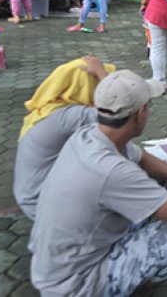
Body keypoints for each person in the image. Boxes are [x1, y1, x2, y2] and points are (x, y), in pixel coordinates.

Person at [28, 70, 167, 296]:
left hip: (53, 264)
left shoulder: (88, 135)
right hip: (76, 284)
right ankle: (123, 287)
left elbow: (143, 158)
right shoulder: (112, 171)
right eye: (149, 106)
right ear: (141, 113)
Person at [14, 56, 115, 220]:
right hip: (42, 204)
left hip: (33, 195)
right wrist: (102, 73)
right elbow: (121, 107)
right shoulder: (71, 116)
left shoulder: (50, 109)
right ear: (86, 86)